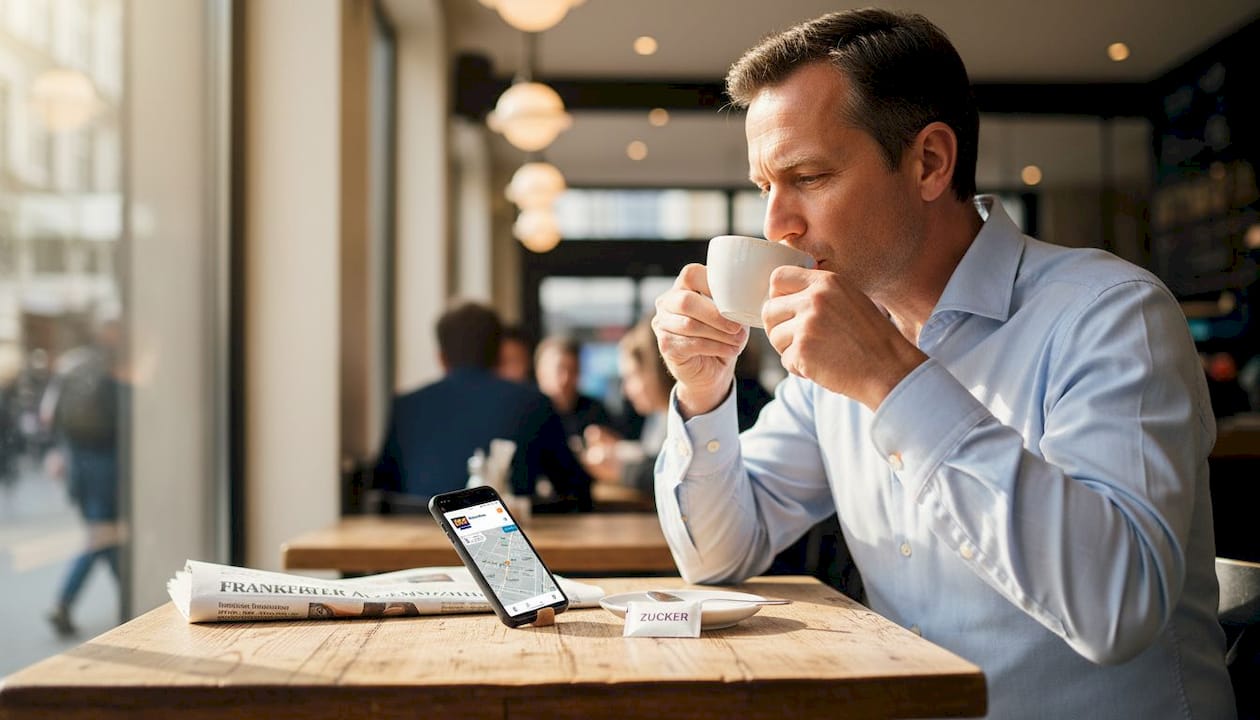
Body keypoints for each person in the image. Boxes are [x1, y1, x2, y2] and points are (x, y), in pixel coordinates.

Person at [650, 9, 1232, 719]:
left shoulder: (1110, 314)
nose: (777, 225)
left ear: (929, 162)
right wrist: (705, 392)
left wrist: (894, 381)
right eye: (765, 185)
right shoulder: (834, 352)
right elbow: (716, 555)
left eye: (807, 176)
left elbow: (1117, 610)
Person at [373, 301, 591, 511]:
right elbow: (575, 489)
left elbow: (382, 490)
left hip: (415, 540)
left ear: (441, 357)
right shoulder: (534, 403)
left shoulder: (405, 407)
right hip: (504, 546)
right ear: (499, 354)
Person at [42, 317, 125, 636]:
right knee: (104, 536)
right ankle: (64, 601)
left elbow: (49, 415)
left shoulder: (73, 365)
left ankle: (132, 600)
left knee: (107, 536)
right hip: (106, 463)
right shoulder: (112, 367)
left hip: (79, 462)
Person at [582, 316, 673, 497]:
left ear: (655, 371)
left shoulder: (688, 418)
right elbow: (655, 456)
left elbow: (674, 474)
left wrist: (620, 469)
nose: (625, 390)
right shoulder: (660, 416)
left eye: (631, 376)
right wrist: (618, 448)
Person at [534, 335, 613, 444]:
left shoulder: (595, 412)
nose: (566, 378)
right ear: (540, 371)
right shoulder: (527, 414)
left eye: (573, 370)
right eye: (559, 369)